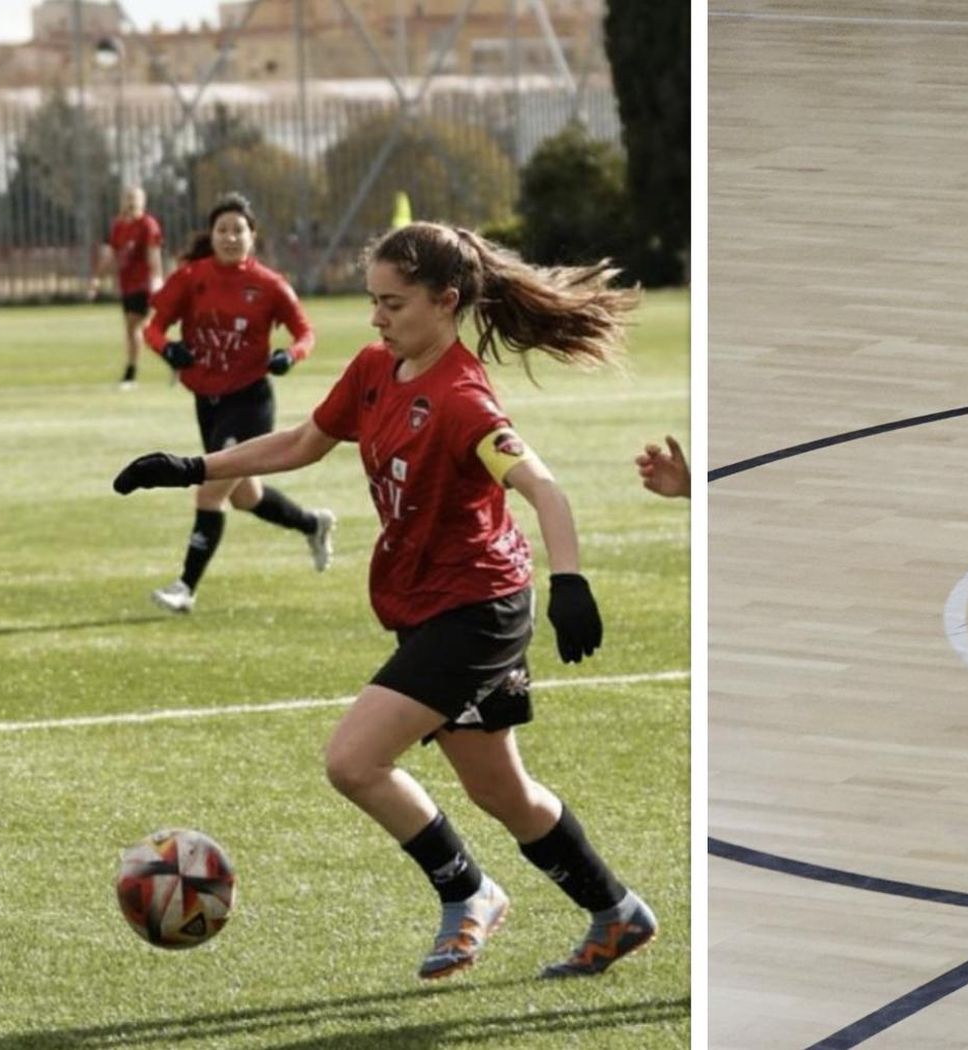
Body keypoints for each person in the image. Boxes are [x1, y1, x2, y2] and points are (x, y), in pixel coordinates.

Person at [113, 221, 658, 981]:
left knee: (354, 760)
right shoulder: (377, 368)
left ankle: (469, 892)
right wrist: (191, 465)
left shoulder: (463, 398)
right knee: (502, 791)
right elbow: (303, 441)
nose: (377, 318)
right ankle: (618, 912)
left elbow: (544, 487)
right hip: (429, 606)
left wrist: (570, 583)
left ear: (447, 301)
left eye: (393, 304)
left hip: (478, 611)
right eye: (374, 301)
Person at [138, 192, 335, 614]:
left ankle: (185, 588)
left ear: (253, 236)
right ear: (211, 235)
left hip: (249, 401)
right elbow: (152, 328)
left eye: (238, 230)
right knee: (246, 497)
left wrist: (289, 355)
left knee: (209, 494)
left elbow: (306, 332)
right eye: (222, 229)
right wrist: (167, 349)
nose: (230, 237)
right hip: (207, 403)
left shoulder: (269, 285)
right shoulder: (191, 277)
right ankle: (313, 524)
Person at [89, 185, 163, 389]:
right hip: (128, 284)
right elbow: (110, 254)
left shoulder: (148, 225)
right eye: (127, 198)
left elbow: (153, 253)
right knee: (137, 330)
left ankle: (131, 374)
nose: (131, 203)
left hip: (144, 284)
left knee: (136, 327)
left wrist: (157, 279)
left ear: (143, 202)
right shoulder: (118, 226)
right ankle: (175, 360)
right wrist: (97, 278)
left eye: (135, 198)